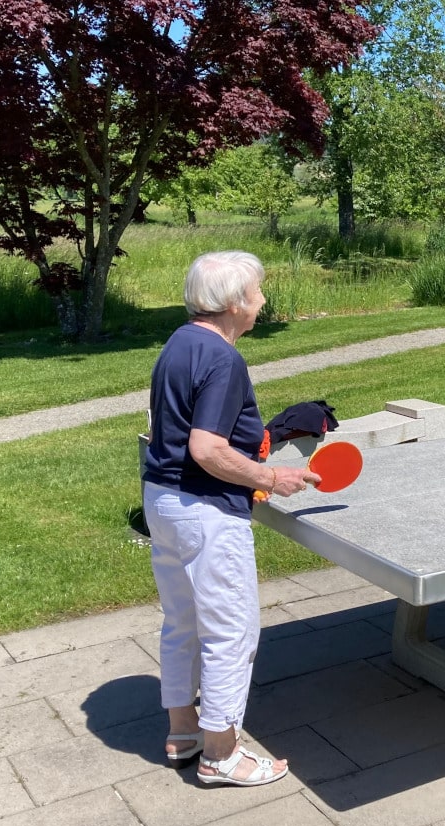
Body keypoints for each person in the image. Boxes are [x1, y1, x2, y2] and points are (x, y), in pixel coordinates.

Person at [141, 251, 320, 786]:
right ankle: (221, 755)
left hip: (163, 500)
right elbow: (207, 448)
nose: (263, 299)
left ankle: (184, 732)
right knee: (230, 631)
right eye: (258, 291)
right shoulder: (223, 359)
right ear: (237, 302)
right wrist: (269, 477)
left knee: (182, 622)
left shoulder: (178, 342)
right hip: (204, 510)